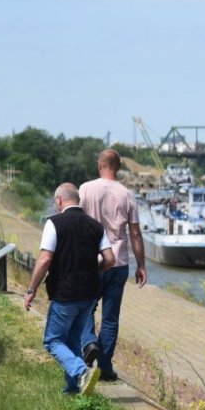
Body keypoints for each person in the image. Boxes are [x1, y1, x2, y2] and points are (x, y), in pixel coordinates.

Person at [24, 183, 114, 395]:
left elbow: (45, 259)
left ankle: (82, 372)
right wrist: (95, 270)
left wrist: (31, 289)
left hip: (65, 294)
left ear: (59, 200)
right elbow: (110, 259)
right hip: (90, 294)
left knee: (53, 341)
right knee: (74, 339)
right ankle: (74, 388)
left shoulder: (54, 223)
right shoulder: (96, 225)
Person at [79, 149, 147, 382]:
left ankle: (88, 343)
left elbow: (77, 223)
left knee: (86, 308)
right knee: (110, 318)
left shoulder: (85, 189)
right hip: (118, 263)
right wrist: (141, 265)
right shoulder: (127, 194)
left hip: (90, 261)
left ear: (100, 165)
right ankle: (105, 367)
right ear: (118, 167)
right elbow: (135, 234)